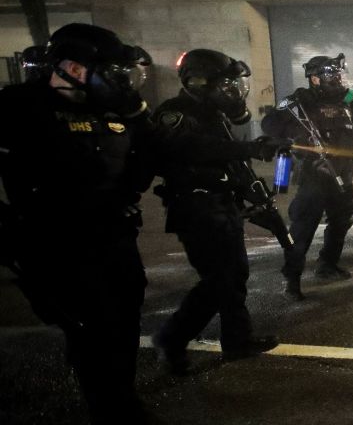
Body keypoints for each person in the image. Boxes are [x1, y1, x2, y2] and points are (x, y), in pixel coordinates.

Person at [0, 24, 288, 424]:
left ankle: (123, 396)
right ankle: (117, 406)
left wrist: (136, 113)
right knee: (93, 327)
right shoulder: (19, 106)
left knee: (123, 319)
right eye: (115, 73)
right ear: (73, 68)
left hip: (114, 232)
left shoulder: (116, 108)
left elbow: (157, 153)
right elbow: (183, 149)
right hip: (55, 238)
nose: (123, 83)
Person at [150, 49, 291, 374]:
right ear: (198, 82)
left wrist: (251, 188)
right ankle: (172, 337)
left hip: (222, 204)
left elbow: (231, 160)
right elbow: (191, 147)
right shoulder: (176, 113)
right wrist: (250, 148)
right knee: (218, 281)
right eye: (224, 85)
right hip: (195, 207)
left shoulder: (215, 115)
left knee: (236, 274)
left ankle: (237, 340)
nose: (231, 92)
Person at [261, 53, 353, 301]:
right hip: (315, 175)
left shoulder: (346, 100)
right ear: (315, 79)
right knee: (303, 229)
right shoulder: (300, 101)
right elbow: (270, 123)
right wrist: (297, 135)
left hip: (343, 174)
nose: (337, 79)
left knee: (342, 221)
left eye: (338, 74)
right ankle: (292, 280)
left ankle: (328, 265)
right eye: (331, 75)